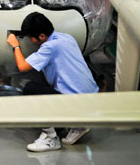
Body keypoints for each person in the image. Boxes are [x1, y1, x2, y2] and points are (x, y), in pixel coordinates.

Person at [7, 12, 98, 152]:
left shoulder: (49, 47)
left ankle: (51, 138)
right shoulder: (66, 38)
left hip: (76, 104)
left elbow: (22, 66)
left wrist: (15, 46)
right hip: (91, 102)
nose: (30, 41)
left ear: (42, 36)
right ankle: (78, 125)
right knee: (43, 82)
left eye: (31, 37)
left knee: (30, 88)